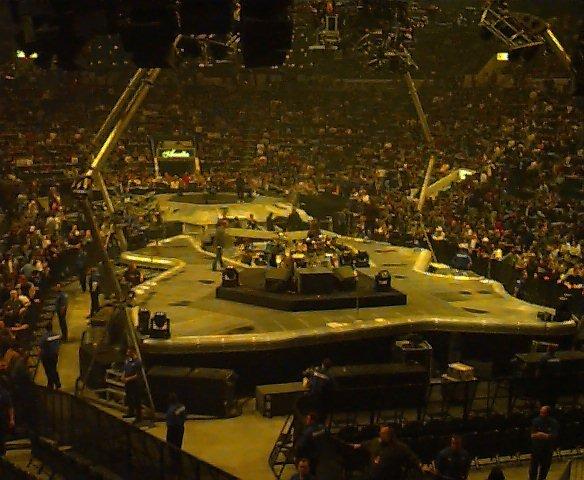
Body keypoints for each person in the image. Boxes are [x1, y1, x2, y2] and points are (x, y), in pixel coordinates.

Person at [354, 424, 421, 480]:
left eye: (384, 433)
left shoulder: (399, 447)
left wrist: (421, 465)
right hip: (373, 476)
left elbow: (412, 457)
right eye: (380, 433)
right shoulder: (375, 442)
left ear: (390, 435)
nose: (381, 435)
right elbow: (362, 445)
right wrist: (355, 446)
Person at [529, 406, 559, 480]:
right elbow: (532, 435)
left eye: (543, 413)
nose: (541, 414)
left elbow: (554, 435)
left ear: (548, 413)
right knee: (533, 468)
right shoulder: (536, 421)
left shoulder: (553, 422)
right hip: (536, 449)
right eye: (541, 412)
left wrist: (544, 435)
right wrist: (541, 435)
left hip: (547, 449)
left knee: (545, 468)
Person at [122, 347, 143, 423]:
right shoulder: (127, 360)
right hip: (128, 384)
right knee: (129, 398)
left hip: (135, 384)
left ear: (132, 352)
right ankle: (130, 413)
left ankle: (139, 417)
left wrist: (128, 379)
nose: (127, 353)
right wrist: (123, 376)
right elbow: (125, 370)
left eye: (128, 352)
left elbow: (138, 375)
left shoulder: (138, 362)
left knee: (136, 400)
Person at [39, 324, 61, 390]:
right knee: (53, 369)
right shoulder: (56, 335)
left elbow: (40, 345)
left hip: (46, 356)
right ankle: (56, 383)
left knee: (48, 370)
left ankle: (51, 383)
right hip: (54, 355)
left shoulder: (44, 337)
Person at [0, 379, 15, 456]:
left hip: (2, 418)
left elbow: (10, 407)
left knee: (1, 437)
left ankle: (2, 454)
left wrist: (11, 419)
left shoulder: (4, 393)